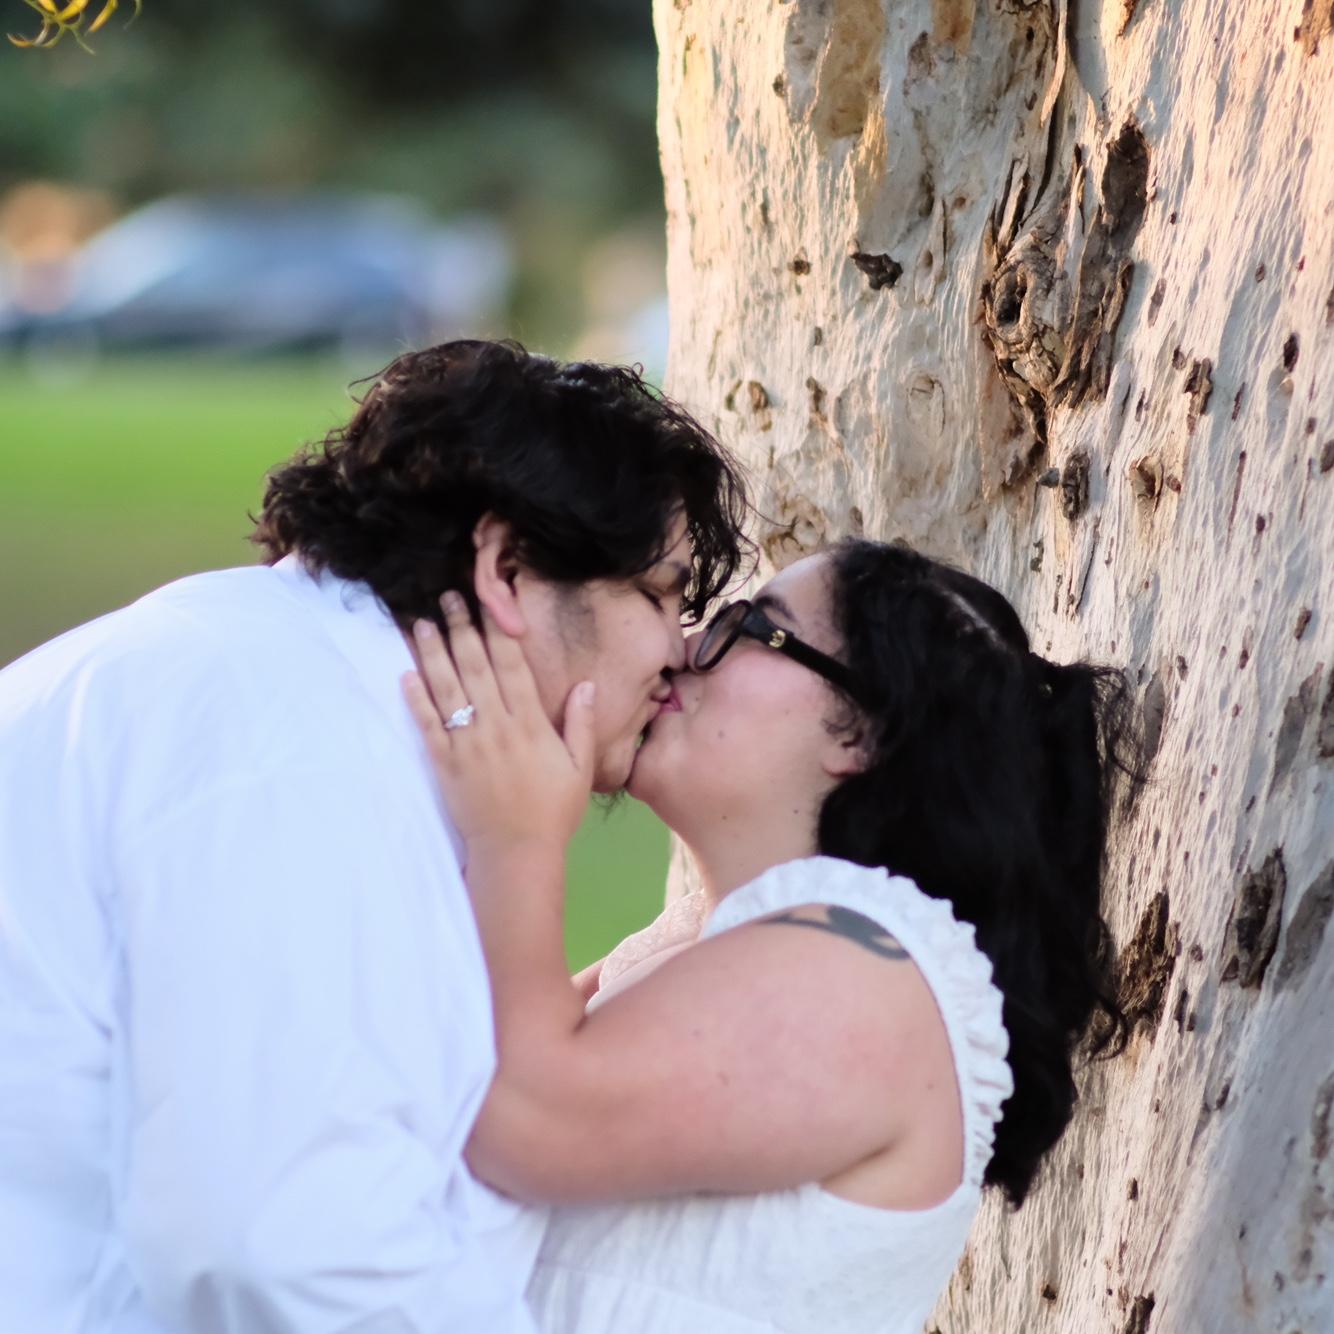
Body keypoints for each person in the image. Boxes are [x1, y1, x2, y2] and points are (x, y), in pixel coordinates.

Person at [0, 339, 749, 1334]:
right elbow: (280, 1245)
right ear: (507, 568)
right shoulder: (295, 745)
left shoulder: (277, 677)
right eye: (658, 594)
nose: (680, 651)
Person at [404, 538, 1138, 1334]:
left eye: (748, 626)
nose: (684, 648)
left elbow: (523, 1121)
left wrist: (515, 836)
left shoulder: (874, 975)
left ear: (860, 734)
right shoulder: (705, 947)